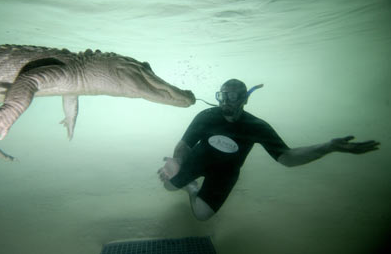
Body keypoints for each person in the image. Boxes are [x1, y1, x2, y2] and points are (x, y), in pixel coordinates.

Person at [158, 79, 380, 221]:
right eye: (222, 95)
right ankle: (186, 180)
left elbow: (288, 158)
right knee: (168, 186)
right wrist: (177, 161)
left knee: (202, 215)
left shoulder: (257, 126)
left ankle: (191, 188)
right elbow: (184, 145)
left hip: (225, 173)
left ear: (245, 99)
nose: (226, 102)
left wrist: (328, 147)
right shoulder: (207, 117)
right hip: (198, 160)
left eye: (233, 96)